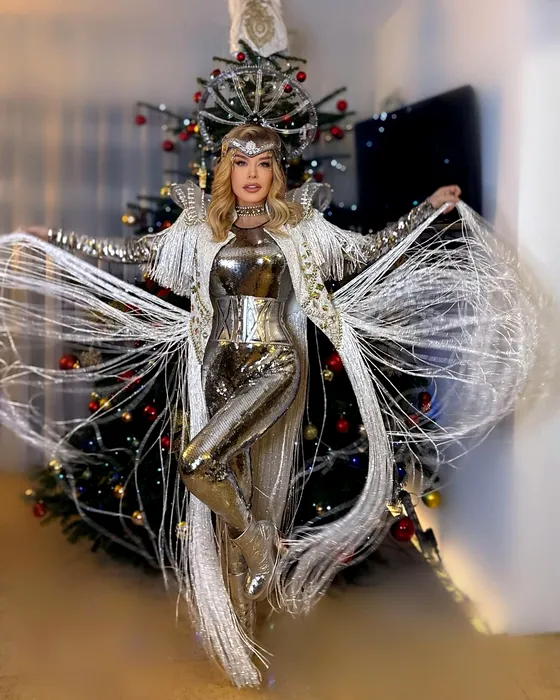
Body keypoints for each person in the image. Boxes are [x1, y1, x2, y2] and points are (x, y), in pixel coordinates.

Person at [1, 124, 536, 687]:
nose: (252, 174)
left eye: (262, 164)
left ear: (275, 171)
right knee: (229, 494)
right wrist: (52, 239)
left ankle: (260, 542)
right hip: (217, 369)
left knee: (196, 462)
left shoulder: (299, 226)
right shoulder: (200, 228)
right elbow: (130, 252)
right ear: (227, 170)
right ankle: (241, 634)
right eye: (241, 163)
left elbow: (368, 248)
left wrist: (426, 210)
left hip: (277, 362)